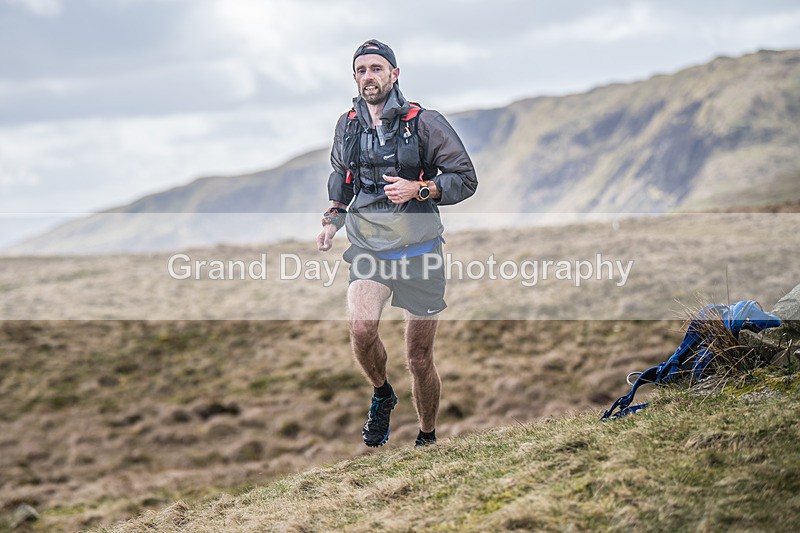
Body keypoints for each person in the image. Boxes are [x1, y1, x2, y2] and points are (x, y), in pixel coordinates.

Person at [316, 39, 477, 448]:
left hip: (421, 251)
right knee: (361, 327)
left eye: (376, 68)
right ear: (355, 77)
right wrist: (331, 221)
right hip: (369, 247)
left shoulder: (425, 123)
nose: (369, 76)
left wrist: (420, 189)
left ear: (394, 74)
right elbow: (342, 179)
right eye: (361, 70)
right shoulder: (348, 124)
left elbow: (464, 178)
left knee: (419, 359)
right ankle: (382, 393)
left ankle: (427, 437)